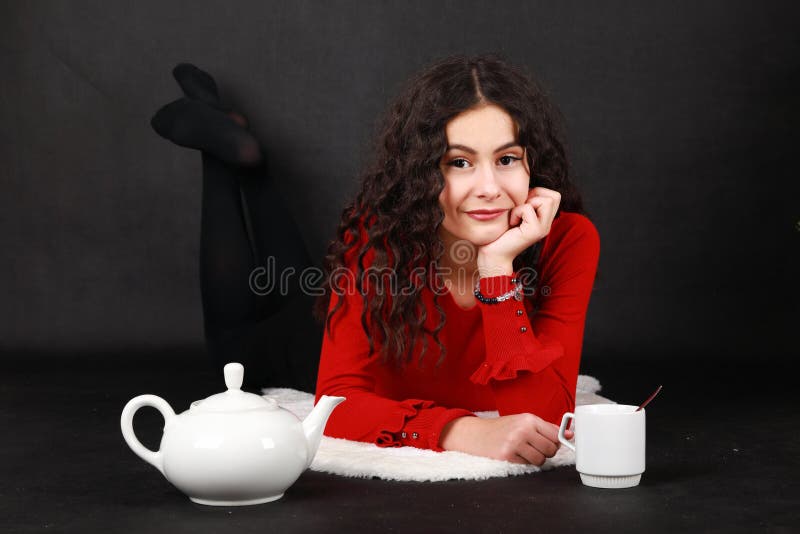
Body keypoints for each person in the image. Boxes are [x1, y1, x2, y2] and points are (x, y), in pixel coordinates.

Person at [151, 53, 599, 467]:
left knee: (282, 270)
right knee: (237, 325)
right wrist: (461, 431)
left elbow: (542, 425)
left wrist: (498, 269)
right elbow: (338, 399)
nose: (488, 187)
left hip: (331, 318)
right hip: (303, 355)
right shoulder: (382, 233)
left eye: (506, 158)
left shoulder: (568, 240)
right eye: (459, 162)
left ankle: (243, 150)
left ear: (531, 166)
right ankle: (220, 152)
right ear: (424, 172)